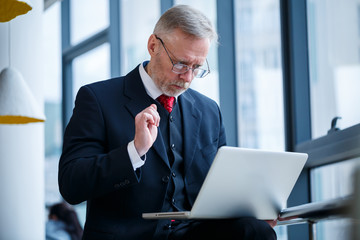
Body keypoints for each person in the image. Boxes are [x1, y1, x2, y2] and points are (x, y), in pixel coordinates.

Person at [59, 4, 277, 240]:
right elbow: (72, 185)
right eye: (181, 64)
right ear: (153, 46)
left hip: (193, 234)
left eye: (197, 68)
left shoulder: (208, 111)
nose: (187, 78)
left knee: (255, 230)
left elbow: (219, 188)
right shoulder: (98, 99)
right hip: (127, 236)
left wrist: (250, 210)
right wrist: (134, 151)